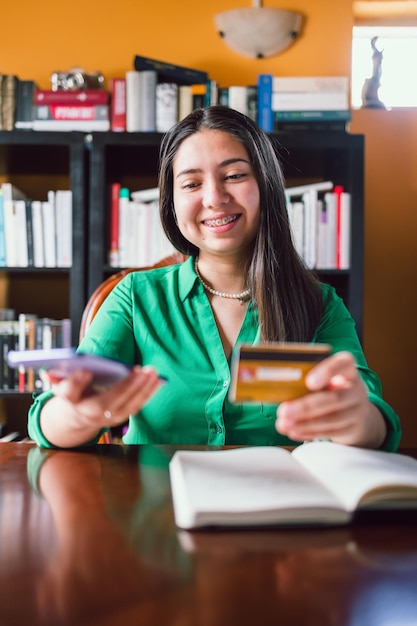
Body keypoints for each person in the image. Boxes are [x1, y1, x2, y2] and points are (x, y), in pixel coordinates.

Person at [28, 105, 401, 450]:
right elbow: (48, 419)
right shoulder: (135, 297)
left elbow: (373, 416)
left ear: (265, 186)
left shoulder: (320, 304)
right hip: (155, 511)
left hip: (279, 512)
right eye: (191, 183)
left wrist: (355, 418)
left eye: (235, 175)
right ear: (171, 203)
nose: (214, 197)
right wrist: (76, 414)